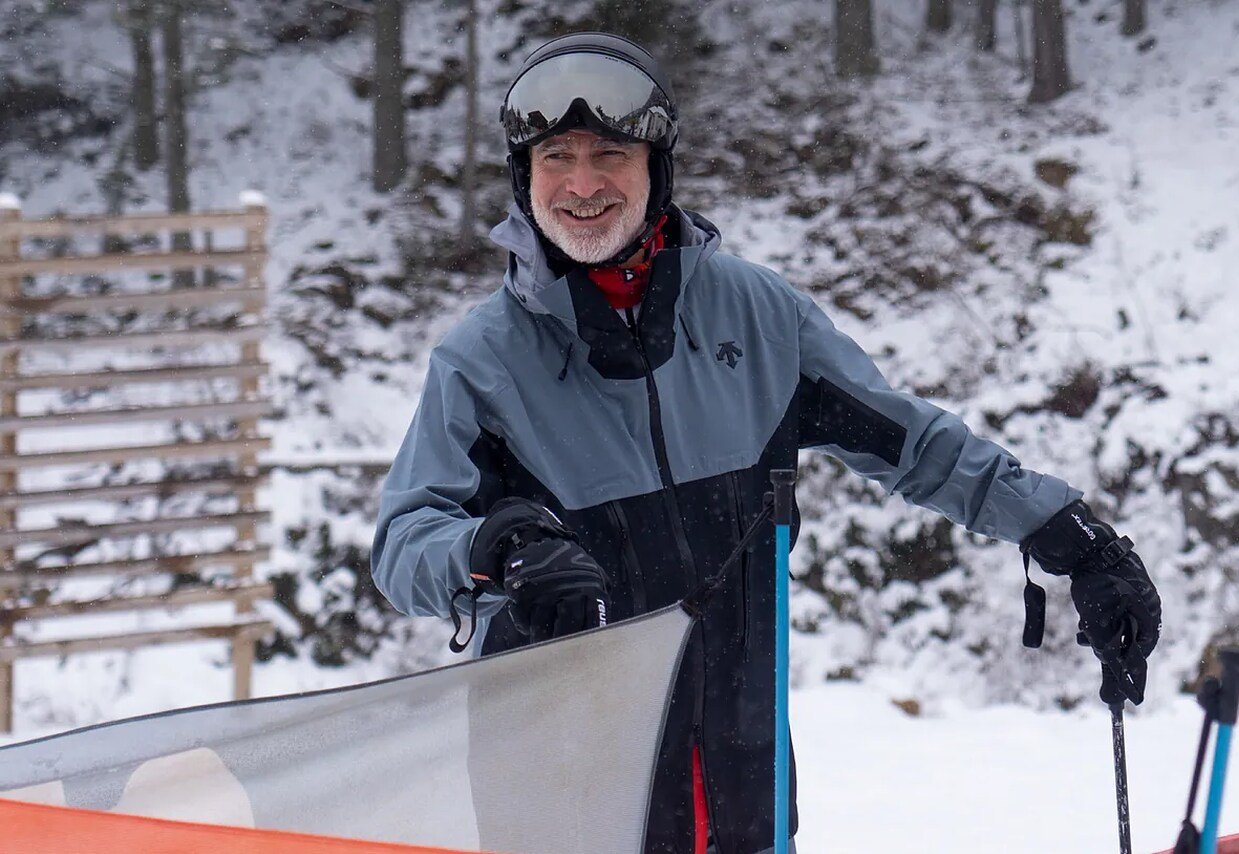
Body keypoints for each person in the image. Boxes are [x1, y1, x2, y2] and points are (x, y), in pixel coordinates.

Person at [371, 32, 1161, 854]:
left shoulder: (759, 319)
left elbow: (917, 445)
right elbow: (403, 546)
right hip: (567, 803)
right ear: (524, 178)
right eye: (556, 158)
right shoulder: (483, 363)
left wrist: (1071, 537)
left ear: (656, 169)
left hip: (744, 789)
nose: (582, 184)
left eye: (610, 154)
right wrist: (494, 551)